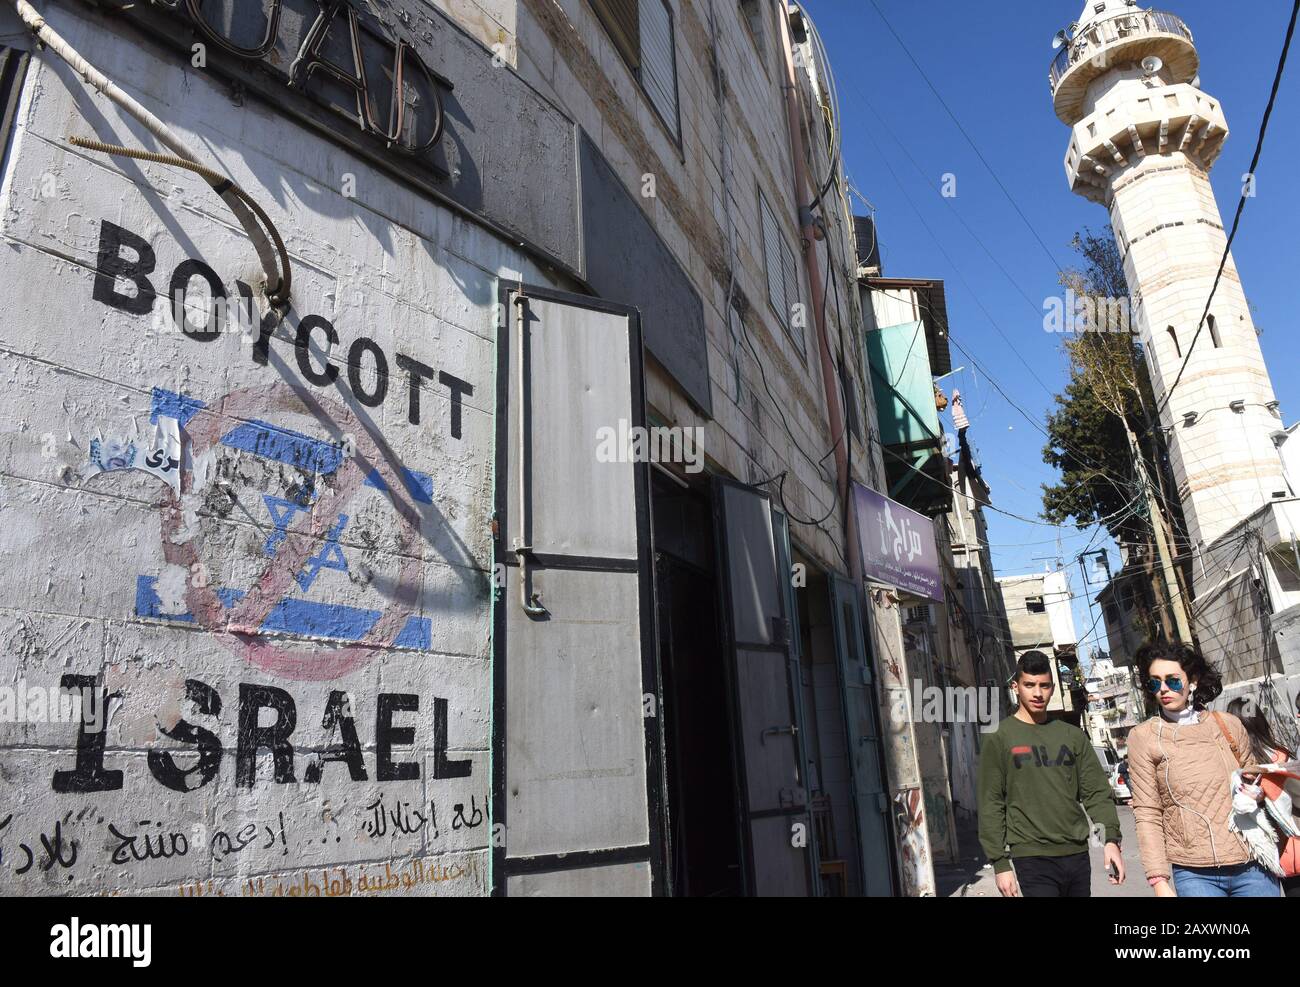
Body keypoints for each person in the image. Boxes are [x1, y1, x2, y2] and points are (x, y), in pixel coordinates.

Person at [1127, 642, 1281, 897]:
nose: (1163, 689)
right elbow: (1147, 813)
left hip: (1253, 862)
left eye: (1173, 681)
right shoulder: (1143, 737)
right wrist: (1159, 880)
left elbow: (1257, 782)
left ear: (1193, 680)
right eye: (1155, 683)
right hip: (1194, 873)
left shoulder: (1229, 725)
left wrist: (1257, 792)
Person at [977, 651, 1125, 897]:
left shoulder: (1072, 736)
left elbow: (1096, 793)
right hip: (1031, 856)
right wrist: (1000, 863)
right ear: (1015, 687)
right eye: (1029, 685)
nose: (1037, 693)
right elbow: (991, 802)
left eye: (1044, 686)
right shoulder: (999, 737)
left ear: (1053, 688)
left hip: (1076, 854)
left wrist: (1110, 840)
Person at [1226, 696, 1299, 898]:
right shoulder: (1282, 756)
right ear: (1260, 721)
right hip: (1290, 844)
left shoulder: (1234, 764)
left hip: (1257, 853)